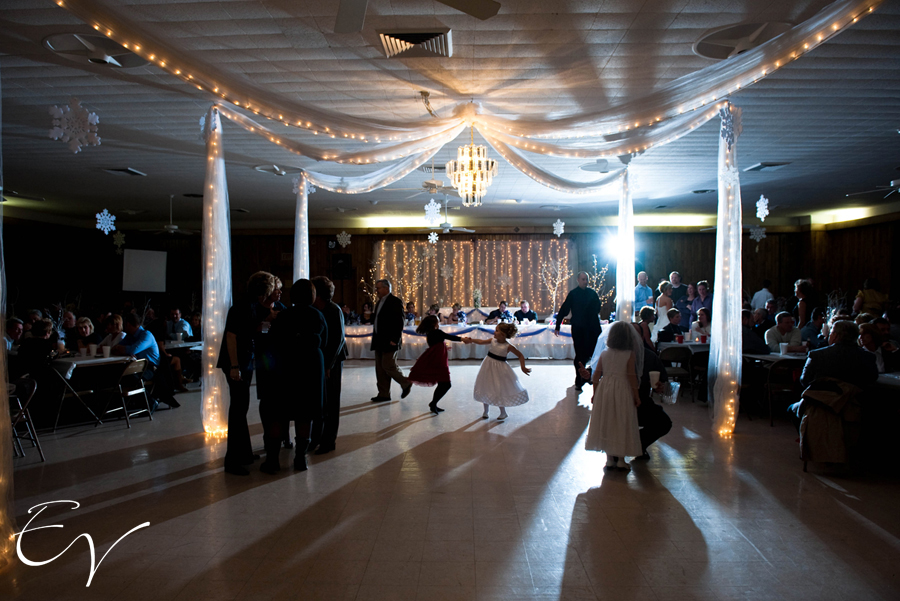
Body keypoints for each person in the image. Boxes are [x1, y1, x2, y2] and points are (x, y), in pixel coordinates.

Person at [262, 279, 327, 473]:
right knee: (304, 415)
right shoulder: (318, 315)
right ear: (312, 296)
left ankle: (273, 460)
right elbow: (324, 341)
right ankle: (300, 459)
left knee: (278, 414)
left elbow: (272, 341)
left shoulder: (283, 316)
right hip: (310, 369)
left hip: (285, 369)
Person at [218, 271, 274, 475]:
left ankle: (244, 454)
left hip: (245, 361)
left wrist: (267, 320)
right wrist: (234, 366)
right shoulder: (240, 307)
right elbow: (231, 337)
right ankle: (232, 461)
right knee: (237, 411)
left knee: (241, 409)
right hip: (237, 363)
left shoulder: (252, 305)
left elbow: (258, 331)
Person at [584, 321, 643, 471]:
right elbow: (632, 377)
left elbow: (596, 376)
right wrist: (636, 396)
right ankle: (621, 459)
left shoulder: (604, 354)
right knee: (621, 419)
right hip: (622, 389)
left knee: (607, 419)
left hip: (606, 389)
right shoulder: (629, 354)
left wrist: (595, 394)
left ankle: (609, 458)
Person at [310, 276, 346, 455]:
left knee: (331, 402)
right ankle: (314, 438)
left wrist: (328, 366)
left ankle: (328, 441)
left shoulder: (334, 309)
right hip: (320, 361)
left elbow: (339, 340)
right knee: (318, 402)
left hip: (333, 361)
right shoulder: (314, 309)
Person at [407, 315, 471, 414]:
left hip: (436, 358)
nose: (438, 323)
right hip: (439, 360)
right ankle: (433, 403)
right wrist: (463, 339)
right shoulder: (437, 332)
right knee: (446, 384)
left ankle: (433, 404)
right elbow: (450, 337)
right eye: (437, 321)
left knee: (443, 383)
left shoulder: (430, 333)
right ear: (434, 324)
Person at [469, 322, 531, 420]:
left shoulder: (508, 346)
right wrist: (471, 340)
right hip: (487, 366)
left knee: (498, 389)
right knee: (485, 386)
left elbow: (520, 355)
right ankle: (485, 411)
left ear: (503, 334)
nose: (494, 332)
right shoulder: (493, 340)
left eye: (497, 330)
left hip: (499, 370)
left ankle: (503, 412)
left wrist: (523, 367)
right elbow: (481, 341)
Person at [555, 271, 602, 392]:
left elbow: (598, 308)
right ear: (578, 280)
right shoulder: (573, 294)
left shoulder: (592, 293)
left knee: (594, 354)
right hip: (579, 329)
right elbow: (564, 309)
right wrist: (557, 325)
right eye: (583, 279)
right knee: (580, 355)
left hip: (592, 329)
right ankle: (579, 379)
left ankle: (591, 376)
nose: (585, 281)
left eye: (586, 279)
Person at [800, 320, 878, 389]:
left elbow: (805, 380)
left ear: (835, 335)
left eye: (830, 333)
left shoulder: (816, 355)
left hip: (821, 402)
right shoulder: (868, 357)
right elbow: (872, 380)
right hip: (854, 402)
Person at [370, 279, 412, 402]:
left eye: (378, 288)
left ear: (386, 288)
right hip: (379, 340)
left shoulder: (395, 301)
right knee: (380, 368)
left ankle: (406, 382)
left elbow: (399, 321)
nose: (376, 291)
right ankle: (383, 393)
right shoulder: (379, 302)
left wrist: (395, 338)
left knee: (388, 365)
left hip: (390, 340)